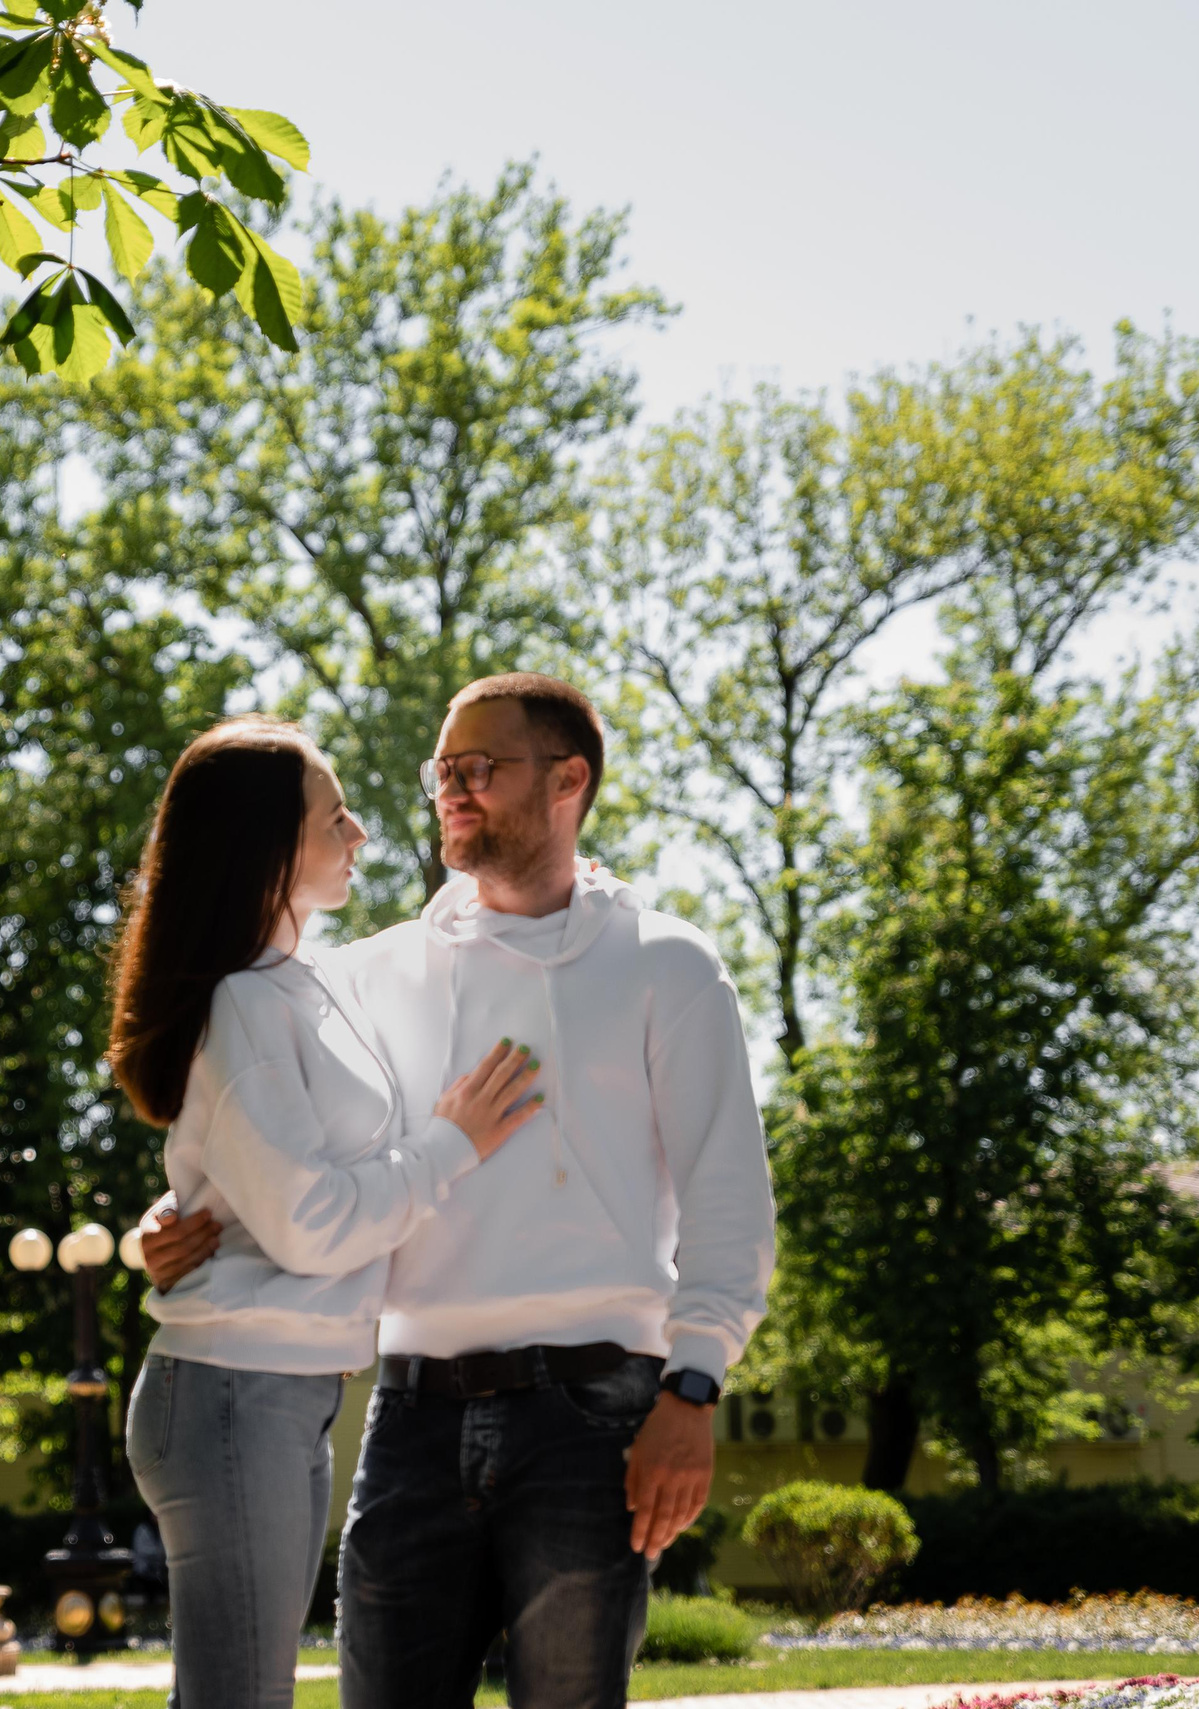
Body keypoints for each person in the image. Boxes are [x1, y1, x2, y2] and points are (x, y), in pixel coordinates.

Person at [141, 674, 775, 1709]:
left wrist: (694, 1382)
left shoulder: (669, 965)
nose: (451, 790)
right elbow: (261, 1127)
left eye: (479, 769)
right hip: (410, 1409)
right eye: (444, 770)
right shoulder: (362, 973)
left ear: (568, 779)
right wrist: (165, 1216)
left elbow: (727, 1198)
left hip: (594, 1414)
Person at [105, 715, 545, 1709]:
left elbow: (250, 1167)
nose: (359, 835)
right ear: (266, 844)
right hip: (230, 1389)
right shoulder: (248, 1003)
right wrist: (452, 1143)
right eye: (334, 816)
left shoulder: (302, 986)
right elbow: (307, 1222)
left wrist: (578, 884)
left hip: (276, 1388)